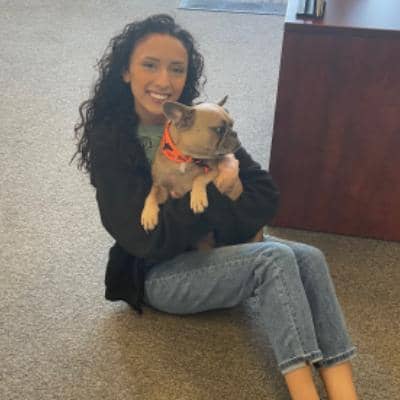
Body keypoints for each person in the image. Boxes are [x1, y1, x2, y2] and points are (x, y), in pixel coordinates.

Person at [71, 14, 358, 400]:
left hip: (217, 247)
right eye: (149, 65)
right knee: (272, 258)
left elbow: (265, 196)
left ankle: (344, 391)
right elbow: (146, 240)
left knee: (309, 257)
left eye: (177, 69)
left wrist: (230, 185)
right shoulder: (112, 141)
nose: (164, 80)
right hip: (160, 273)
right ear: (125, 71)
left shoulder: (205, 122)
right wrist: (216, 191)